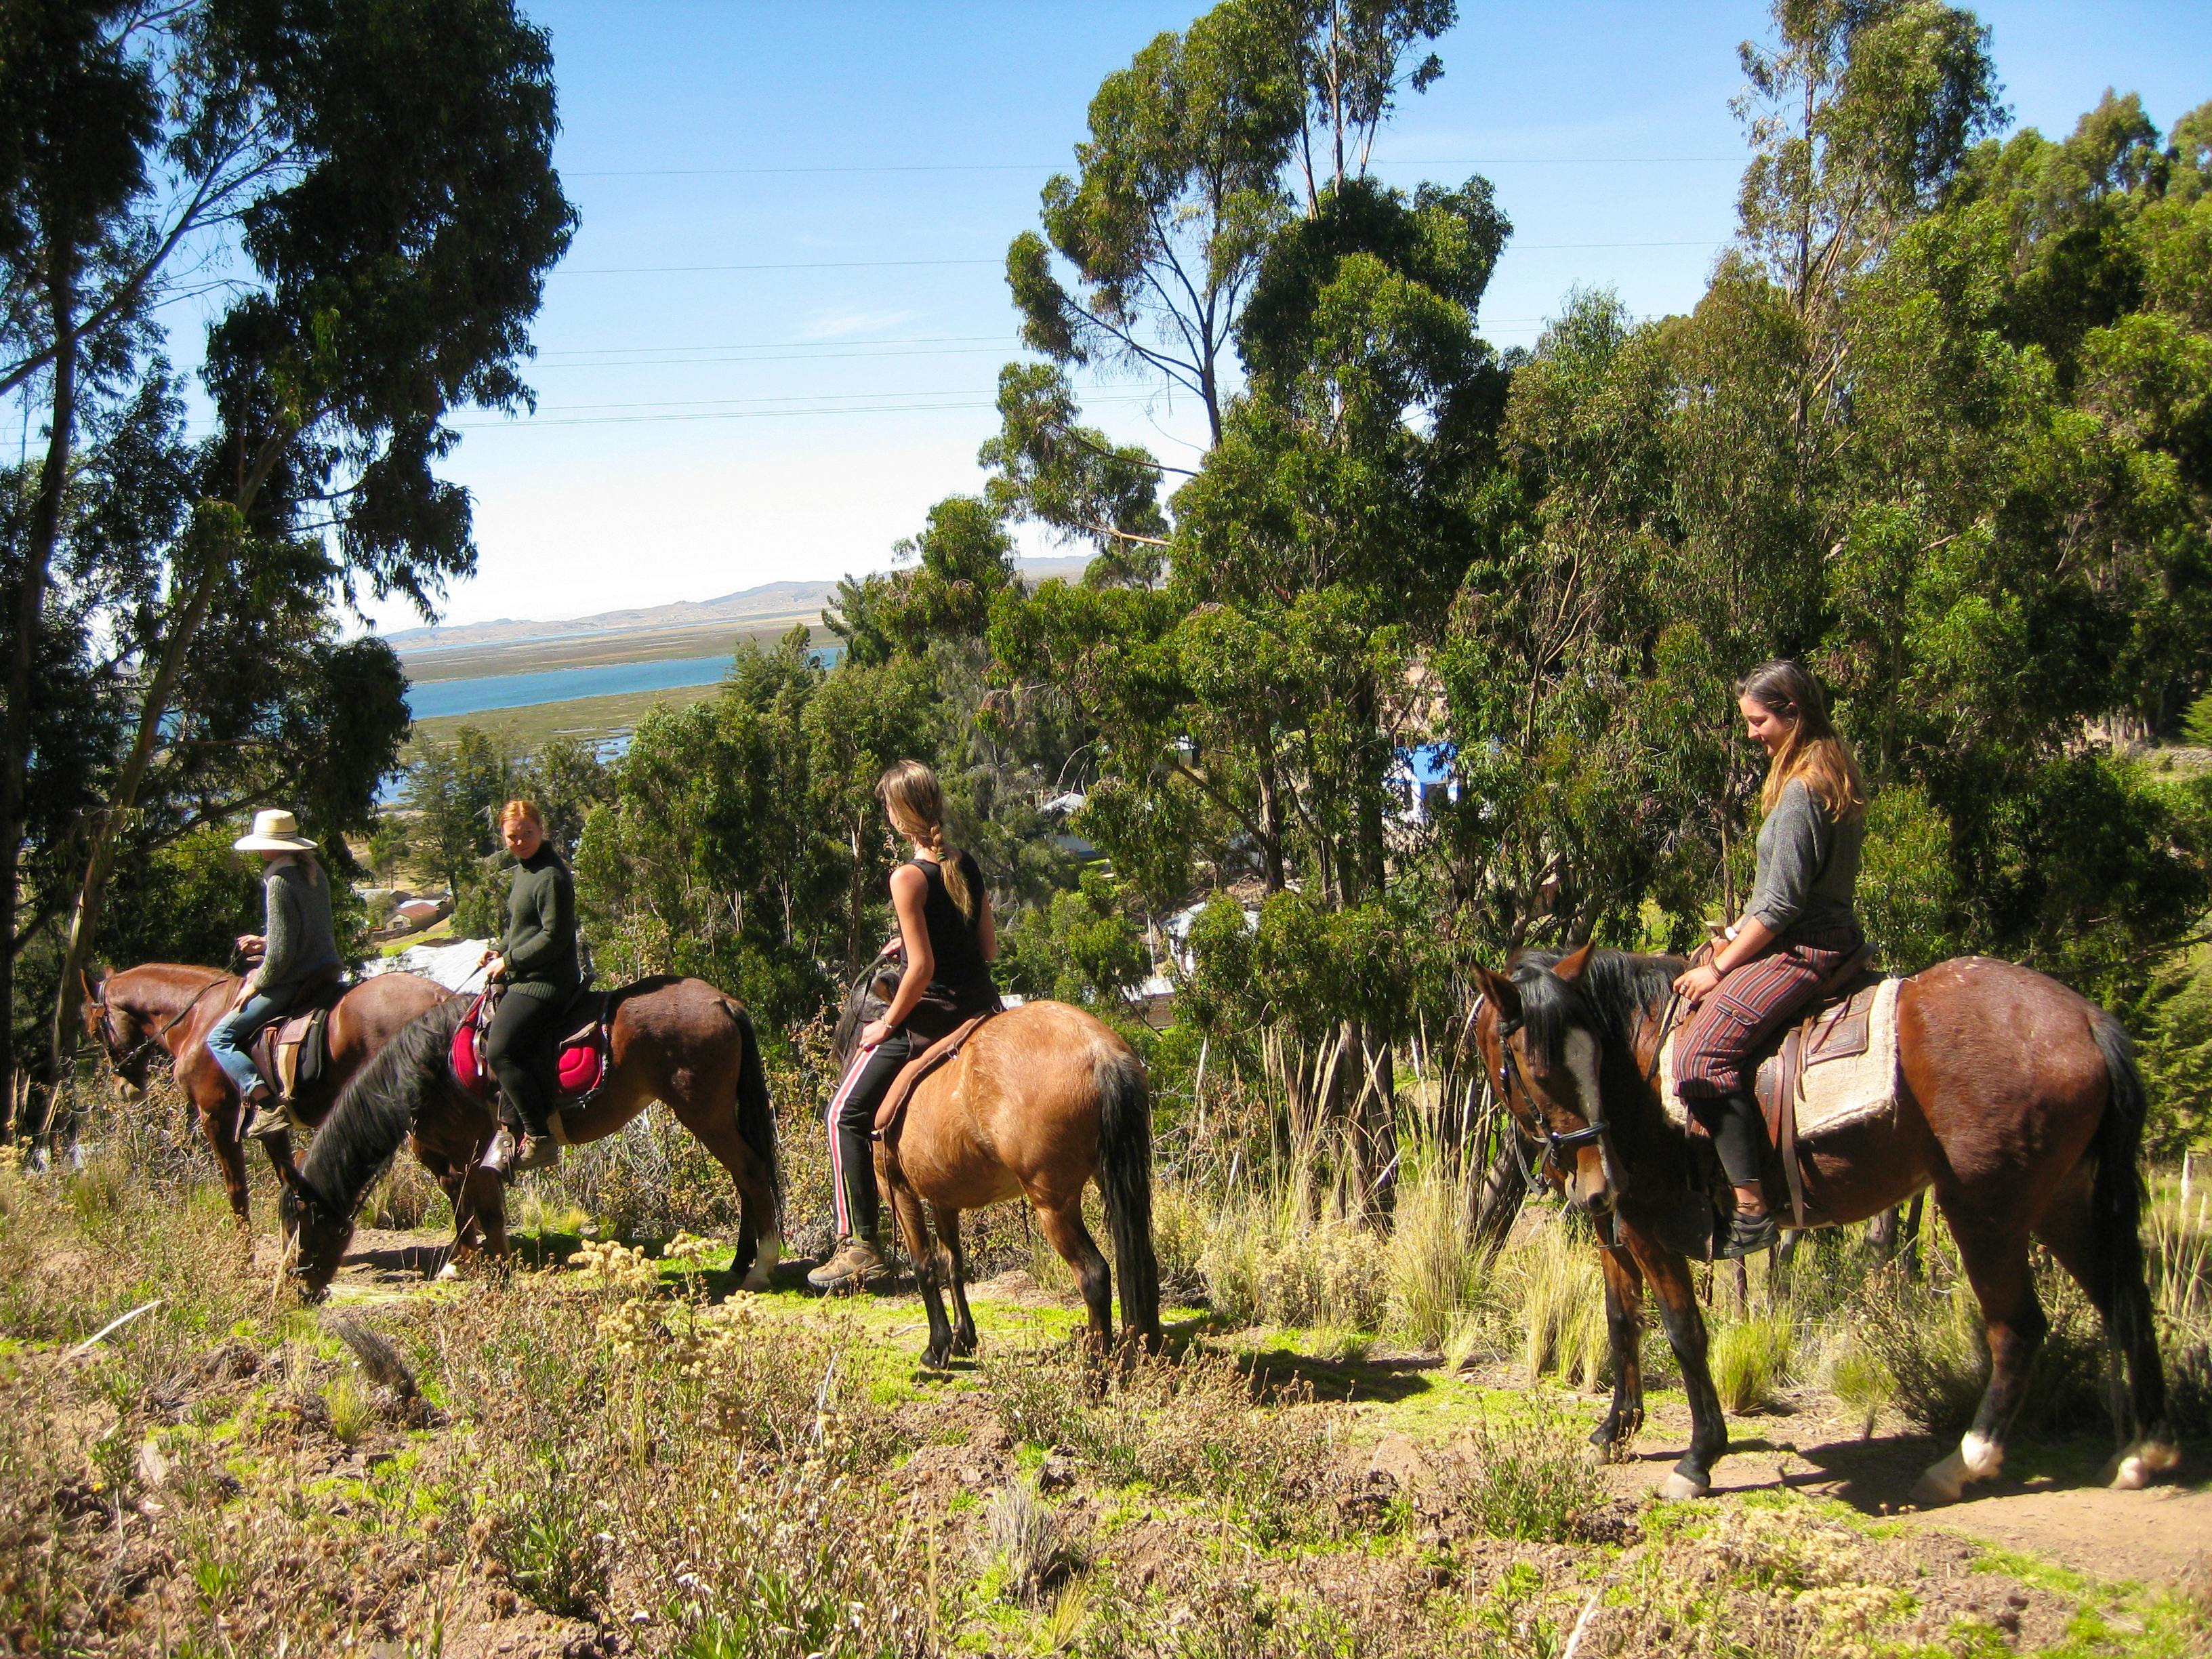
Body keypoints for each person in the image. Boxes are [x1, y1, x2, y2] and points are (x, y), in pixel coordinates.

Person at [1671, 660, 1866, 1259]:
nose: (1752, 733)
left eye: (1759, 722)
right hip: (1823, 932)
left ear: (1792, 715)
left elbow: (1781, 907)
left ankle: (1751, 1209)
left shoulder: (1804, 790)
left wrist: (1720, 965)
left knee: (1699, 1054)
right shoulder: (1828, 773)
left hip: (1804, 949)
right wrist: (1735, 930)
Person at [809, 760, 1000, 1292]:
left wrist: (885, 1023)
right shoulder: (966, 864)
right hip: (982, 1010)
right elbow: (987, 948)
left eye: (888, 807)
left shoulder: (907, 877)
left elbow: (922, 972)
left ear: (898, 815)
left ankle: (861, 1245)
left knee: (842, 1113)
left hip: (931, 1020)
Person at [205, 808, 344, 1140]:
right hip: (325, 971)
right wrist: (265, 941)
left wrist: (256, 982)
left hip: (295, 978)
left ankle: (267, 1106)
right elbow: (306, 934)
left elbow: (281, 959)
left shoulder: (279, 881)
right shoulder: (313, 872)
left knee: (219, 1039)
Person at [480, 799, 581, 1174]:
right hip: (527, 974)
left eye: (527, 833)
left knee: (500, 1051)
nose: (520, 841)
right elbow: (522, 931)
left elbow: (555, 937)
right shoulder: (524, 872)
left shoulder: (551, 876)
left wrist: (511, 961)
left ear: (542, 830)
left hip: (548, 982)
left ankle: (539, 1138)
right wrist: (499, 951)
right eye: (512, 836)